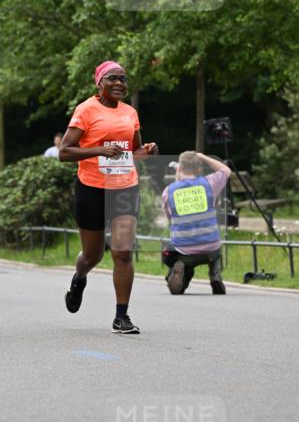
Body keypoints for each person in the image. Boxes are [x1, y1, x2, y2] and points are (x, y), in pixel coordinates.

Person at [59, 60, 159, 334]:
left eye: (123, 79)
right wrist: (99, 151)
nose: (119, 83)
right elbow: (65, 152)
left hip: (125, 187)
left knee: (123, 252)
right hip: (91, 187)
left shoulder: (130, 113)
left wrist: (147, 151)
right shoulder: (86, 110)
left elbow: (133, 152)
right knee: (93, 255)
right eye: (112, 78)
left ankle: (121, 316)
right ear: (99, 83)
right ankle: (79, 278)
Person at [161, 151, 230, 295]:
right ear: (199, 169)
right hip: (210, 248)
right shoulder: (209, 184)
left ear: (179, 169)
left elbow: (170, 219)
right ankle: (215, 275)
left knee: (169, 253)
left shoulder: (169, 191)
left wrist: (177, 179)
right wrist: (203, 157)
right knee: (216, 251)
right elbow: (225, 170)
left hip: (183, 250)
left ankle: (177, 275)